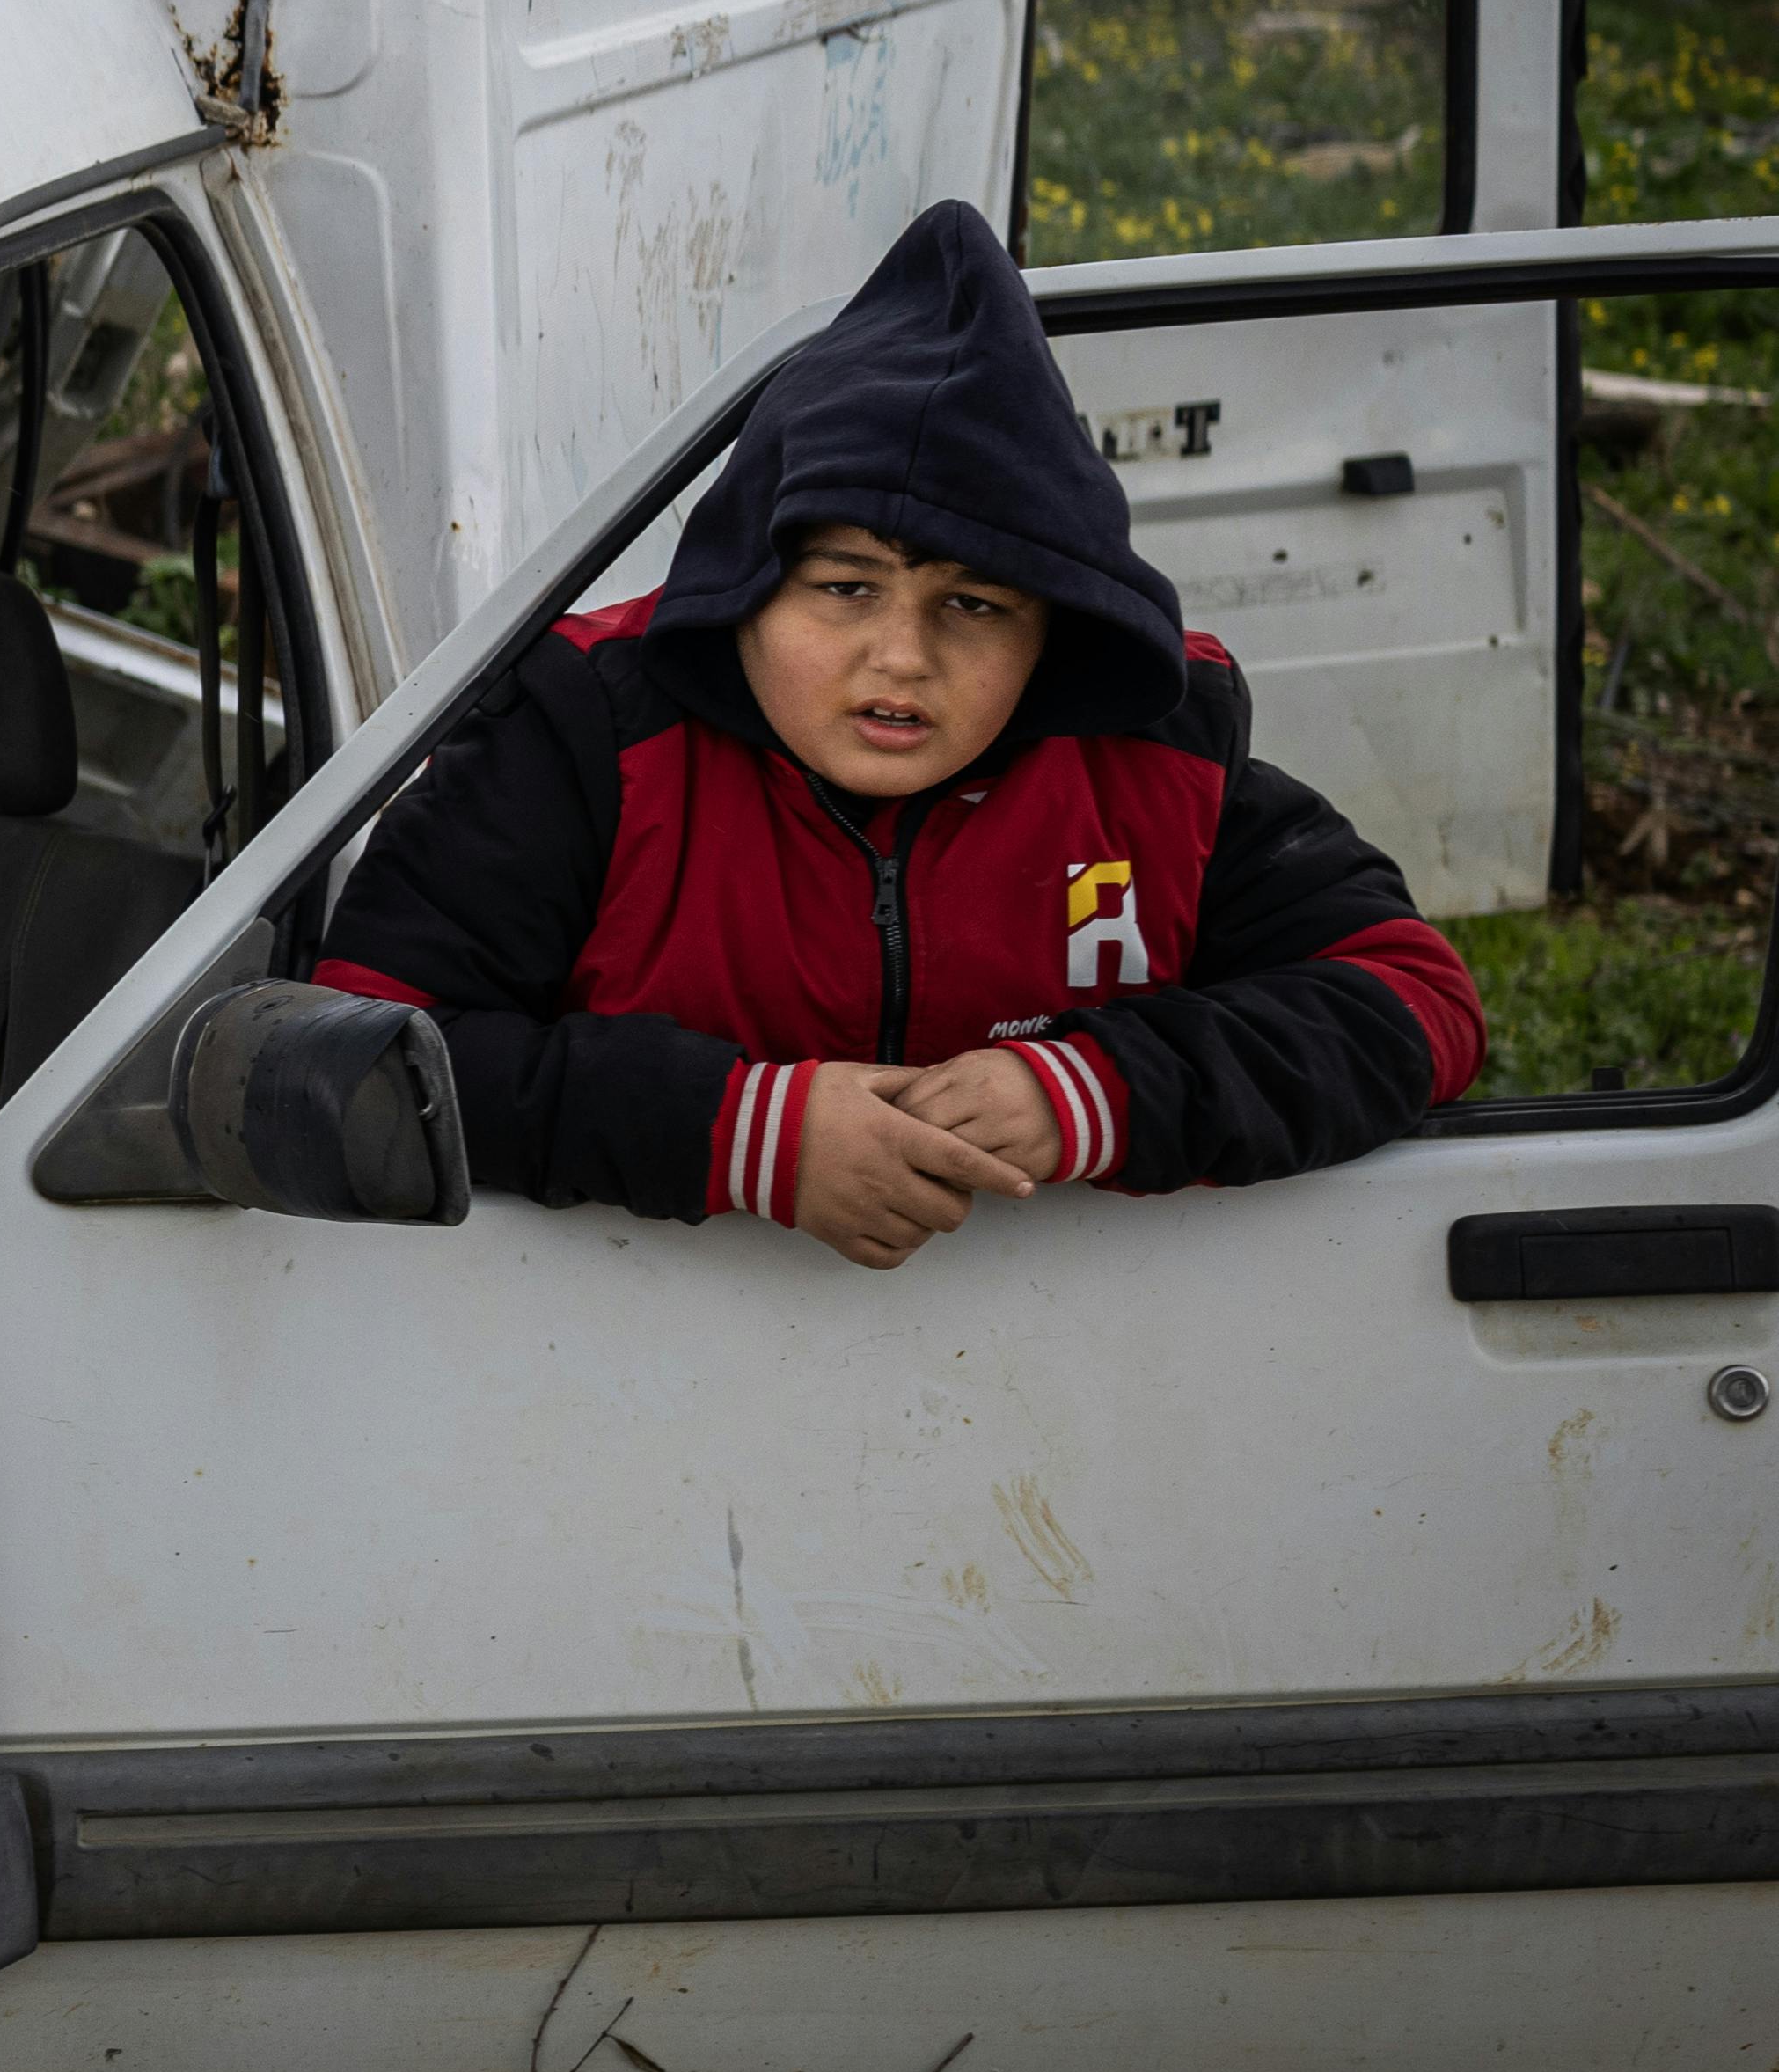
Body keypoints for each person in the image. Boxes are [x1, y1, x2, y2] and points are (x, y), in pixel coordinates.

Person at [317, 200, 1480, 1270]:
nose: (905, 655)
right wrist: (741, 1131)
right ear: (745, 586)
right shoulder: (581, 739)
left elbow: (1415, 1005)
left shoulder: (1150, 759)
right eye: (844, 587)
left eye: (976, 605)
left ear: (1055, 632)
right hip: (599, 1397)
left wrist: (1091, 1093)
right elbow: (363, 1055)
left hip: (1060, 1416)